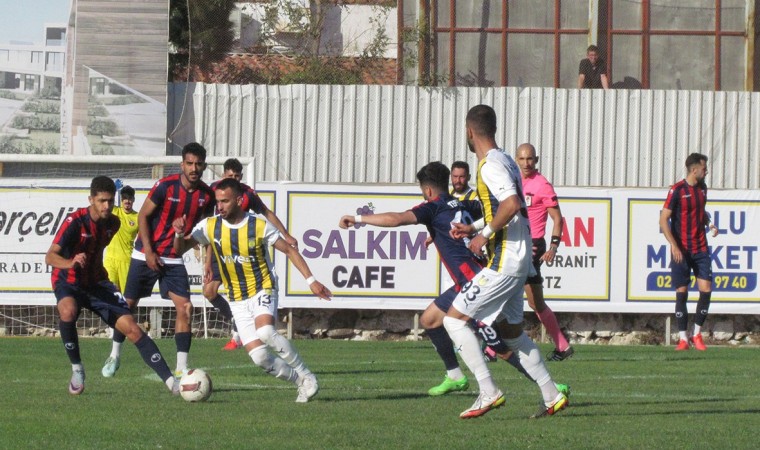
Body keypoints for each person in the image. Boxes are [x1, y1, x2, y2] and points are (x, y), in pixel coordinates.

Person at [448, 104, 567, 419]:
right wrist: (473, 227)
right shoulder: (505, 160)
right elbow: (503, 207)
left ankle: (488, 391)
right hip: (520, 258)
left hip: (505, 259)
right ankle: (552, 395)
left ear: (469, 131)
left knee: (453, 320)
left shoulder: (489, 165)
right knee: (511, 332)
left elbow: (512, 203)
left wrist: (484, 235)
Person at [173, 178, 331, 402]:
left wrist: (311, 281)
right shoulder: (210, 225)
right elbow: (180, 249)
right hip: (236, 298)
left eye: (225, 201)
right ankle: (300, 382)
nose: (220, 206)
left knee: (266, 332)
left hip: (262, 288)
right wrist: (179, 234)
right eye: (218, 202)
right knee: (259, 358)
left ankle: (307, 374)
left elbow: (289, 250)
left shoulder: (258, 226)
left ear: (239, 201)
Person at [339, 161, 485, 397]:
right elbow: (492, 215)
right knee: (430, 320)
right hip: (469, 279)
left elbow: (396, 219)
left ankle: (541, 388)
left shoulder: (433, 207)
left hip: (472, 280)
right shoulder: (462, 203)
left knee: (504, 341)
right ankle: (455, 376)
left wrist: (358, 219)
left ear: (427, 190)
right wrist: (440, 235)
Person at [46, 176, 179, 395]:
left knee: (132, 328)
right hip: (69, 281)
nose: (106, 206)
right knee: (67, 311)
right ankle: (77, 369)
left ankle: (171, 382)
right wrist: (71, 263)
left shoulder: (113, 223)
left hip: (97, 283)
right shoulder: (75, 222)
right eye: (101, 201)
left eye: (110, 200)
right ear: (91, 199)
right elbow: (50, 256)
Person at [102, 143, 216, 378]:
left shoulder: (207, 196)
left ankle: (182, 368)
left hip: (173, 258)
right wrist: (149, 252)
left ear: (204, 166)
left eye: (198, 164)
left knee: (186, 307)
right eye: (190, 163)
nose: (194, 168)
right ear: (182, 164)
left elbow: (206, 231)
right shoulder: (165, 187)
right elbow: (143, 216)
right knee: (128, 306)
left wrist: (206, 262)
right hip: (145, 254)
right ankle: (115, 354)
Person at [205, 158, 298, 351]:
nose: (234, 179)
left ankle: (239, 335)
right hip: (220, 249)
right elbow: (211, 227)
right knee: (209, 292)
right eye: (230, 175)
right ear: (223, 175)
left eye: (237, 176)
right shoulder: (214, 191)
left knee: (241, 292)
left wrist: (286, 234)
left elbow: (266, 212)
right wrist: (207, 261)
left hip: (242, 252)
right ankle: (237, 321)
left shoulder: (247, 193)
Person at [515, 143, 574, 361]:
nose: (526, 163)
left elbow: (557, 219)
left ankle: (492, 347)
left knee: (504, 290)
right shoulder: (513, 181)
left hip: (532, 245)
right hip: (515, 243)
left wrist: (553, 247)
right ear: (516, 160)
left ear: (536, 160)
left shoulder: (542, 185)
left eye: (530, 159)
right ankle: (563, 346)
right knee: (535, 303)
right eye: (522, 159)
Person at [659, 153, 719, 351]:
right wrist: (674, 245)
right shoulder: (677, 190)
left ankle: (697, 334)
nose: (706, 171)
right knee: (682, 292)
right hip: (682, 250)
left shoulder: (702, 189)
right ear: (694, 170)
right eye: (704, 168)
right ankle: (683, 338)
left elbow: (700, 213)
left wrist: (710, 224)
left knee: (706, 289)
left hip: (700, 247)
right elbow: (663, 220)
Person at [104, 185, 138, 294]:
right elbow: (104, 201)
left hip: (126, 261)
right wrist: (113, 190)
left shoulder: (137, 217)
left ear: (133, 200)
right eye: (124, 198)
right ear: (121, 200)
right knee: (110, 291)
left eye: (129, 198)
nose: (127, 201)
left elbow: (144, 238)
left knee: (126, 296)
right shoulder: (114, 211)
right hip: (110, 259)